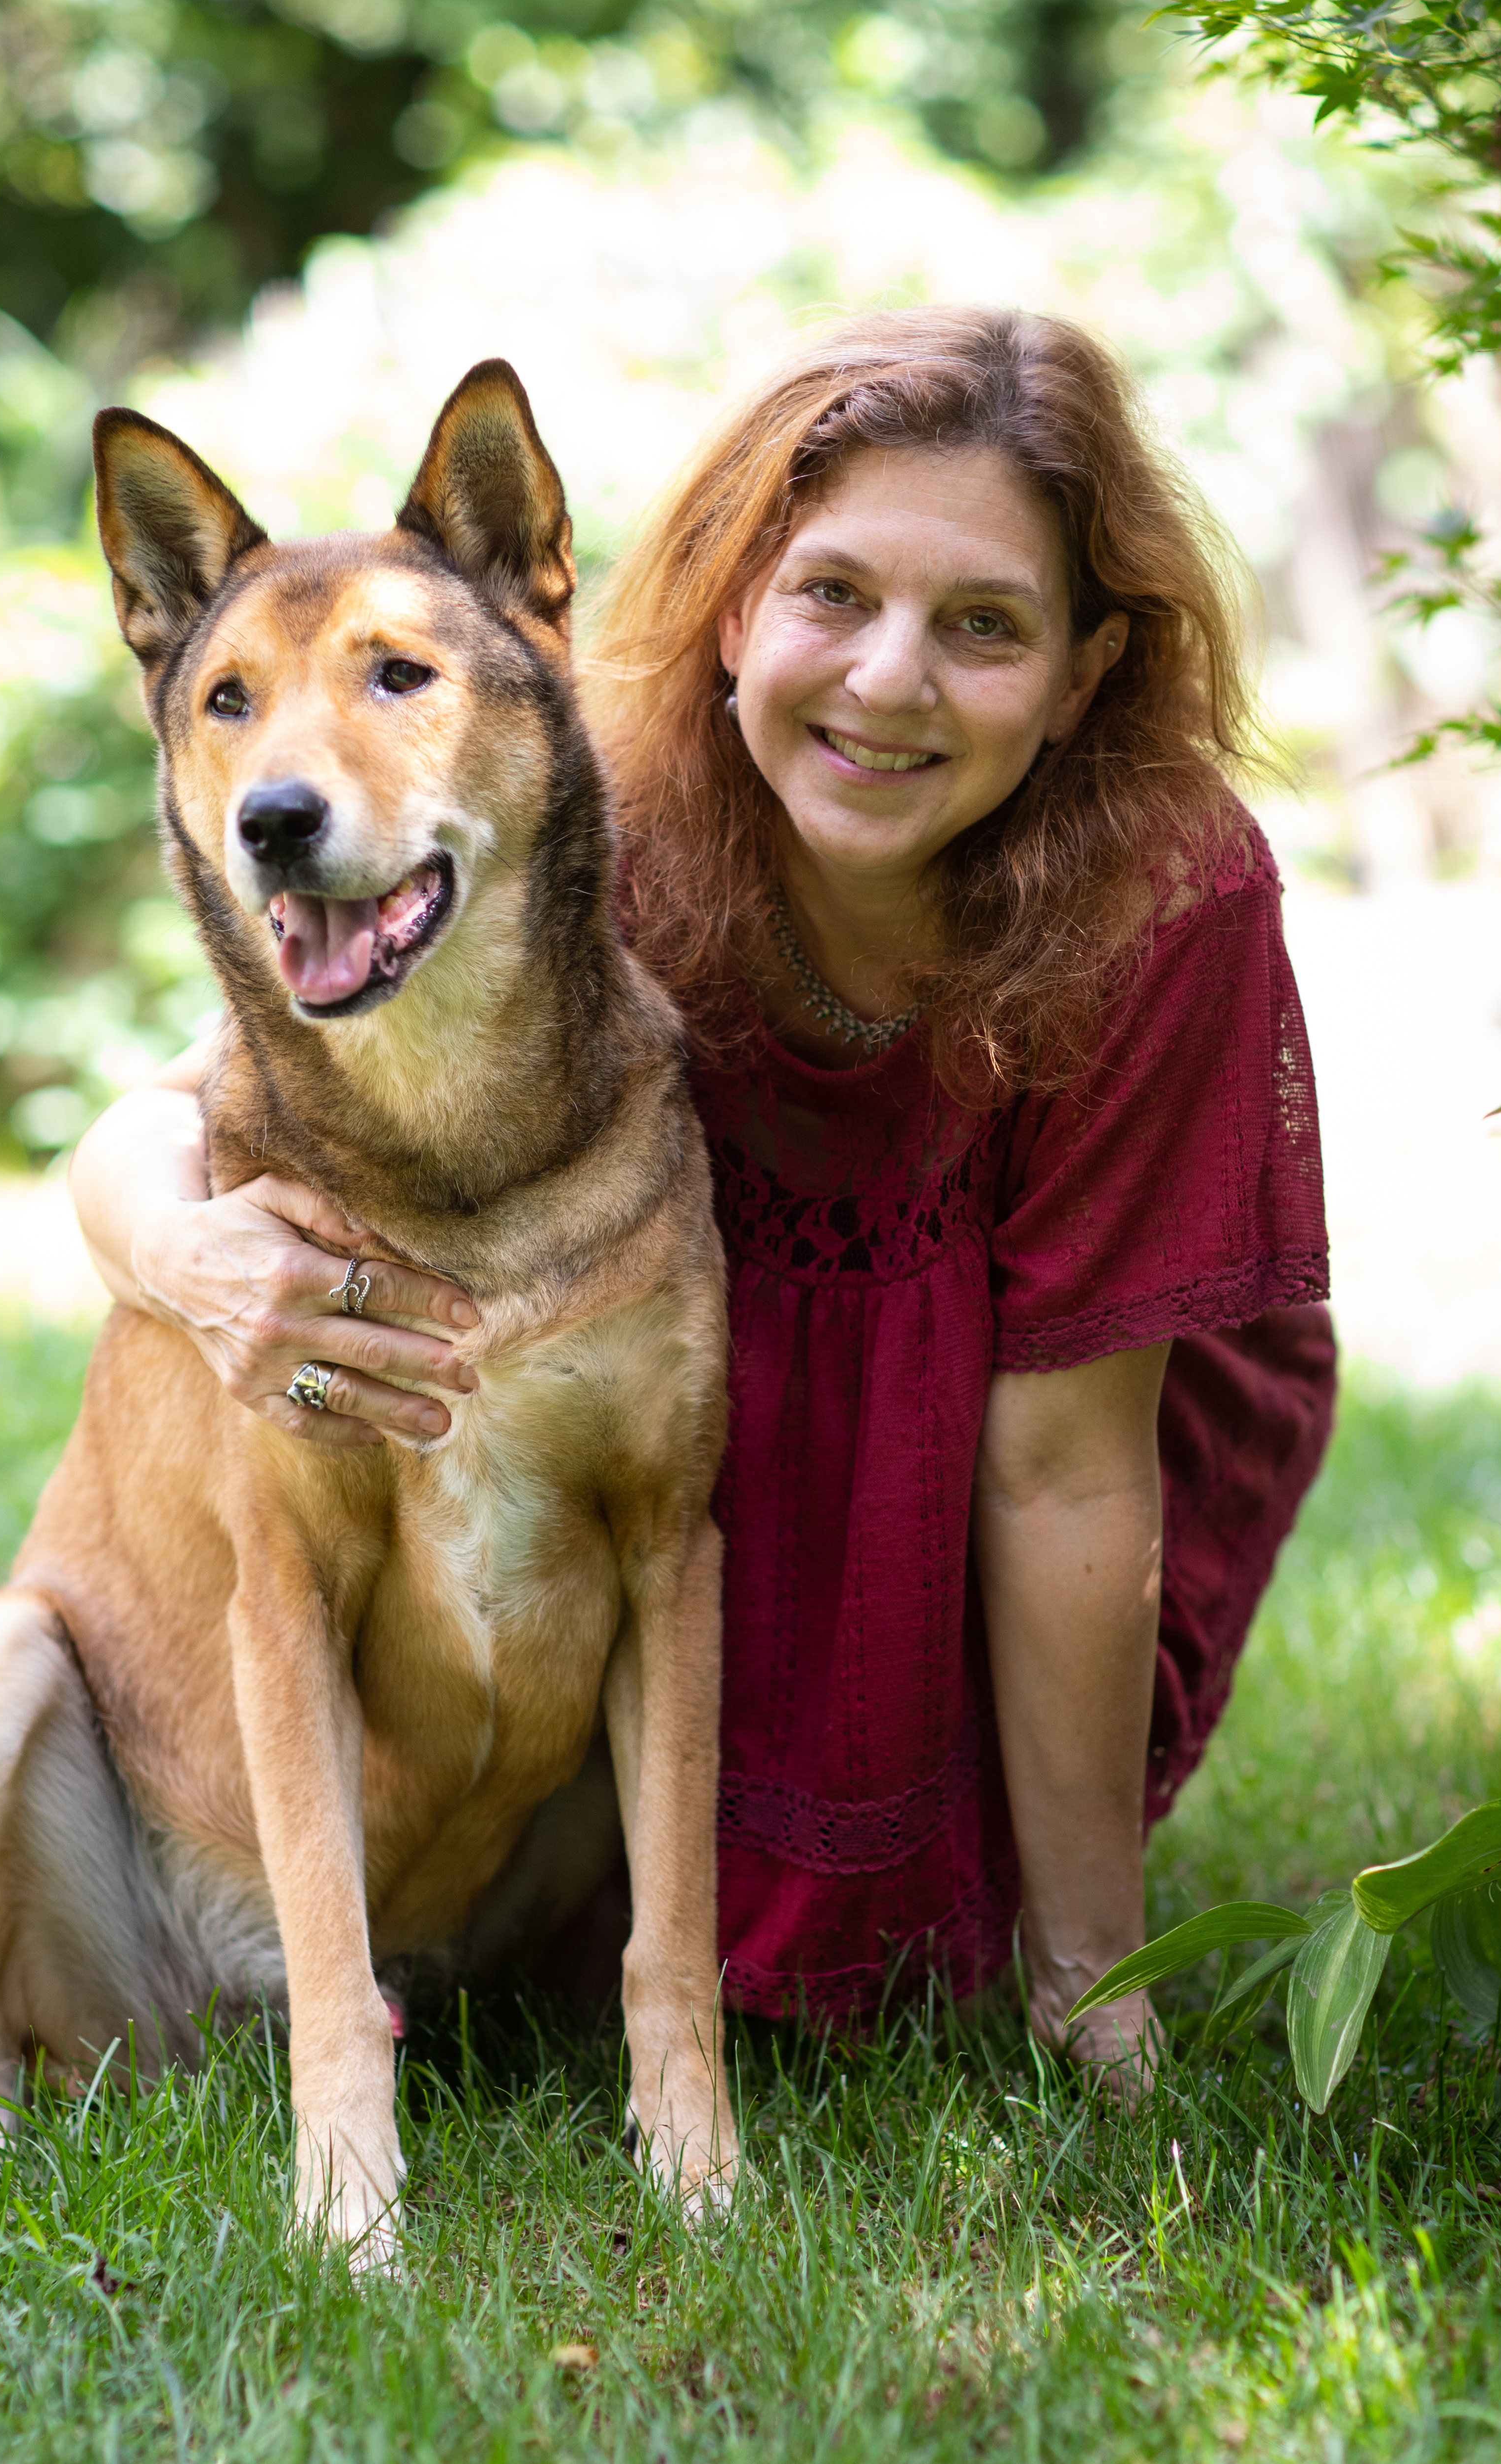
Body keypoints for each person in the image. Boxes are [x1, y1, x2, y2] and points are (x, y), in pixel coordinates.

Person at [70, 307, 1333, 2087]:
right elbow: (182, 1110)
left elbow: (1065, 1466)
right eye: (834, 595)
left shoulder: (1159, 896)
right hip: (695, 1469)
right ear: (739, 608)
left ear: (1082, 671)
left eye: (983, 626)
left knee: (942, 1955)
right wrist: (170, 1250)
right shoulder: (584, 818)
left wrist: (1091, 1984)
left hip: (1019, 1440)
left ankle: (1007, 1908)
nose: (889, 679)